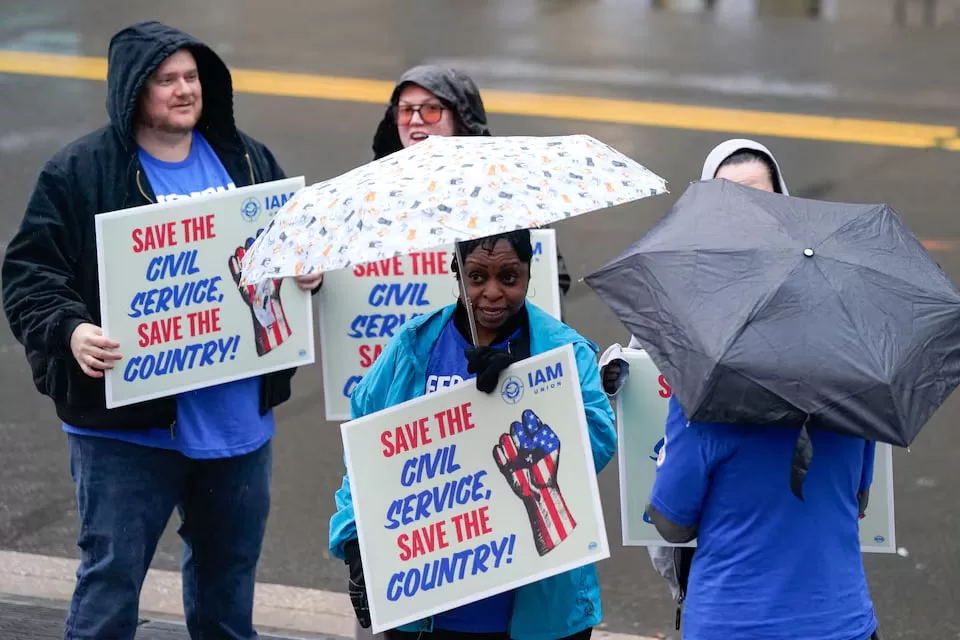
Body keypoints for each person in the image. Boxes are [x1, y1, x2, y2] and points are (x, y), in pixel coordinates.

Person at [0, 21, 321, 639]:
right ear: (132, 91)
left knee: (229, 598)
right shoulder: (78, 172)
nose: (184, 91)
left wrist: (307, 274)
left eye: (192, 78)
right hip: (127, 434)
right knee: (109, 594)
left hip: (237, 428)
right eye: (166, 80)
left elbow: (298, 251)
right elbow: (28, 276)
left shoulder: (248, 162)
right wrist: (69, 332)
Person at [600, 139, 879, 639]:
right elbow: (858, 497)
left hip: (732, 619)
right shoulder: (851, 350)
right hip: (842, 621)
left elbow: (672, 520)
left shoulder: (700, 385)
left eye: (759, 198)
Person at [329, 229, 617, 640]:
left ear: (530, 274)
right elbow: (364, 444)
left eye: (509, 277)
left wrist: (520, 391)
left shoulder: (562, 350)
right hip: (431, 608)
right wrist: (354, 538)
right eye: (477, 278)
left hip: (541, 608)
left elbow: (599, 441)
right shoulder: (414, 345)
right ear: (456, 274)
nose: (493, 293)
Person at [371, 64, 573, 314]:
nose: (414, 120)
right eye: (405, 110)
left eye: (431, 109)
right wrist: (317, 282)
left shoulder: (506, 191)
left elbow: (551, 280)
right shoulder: (374, 194)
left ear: (460, 118)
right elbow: (351, 274)